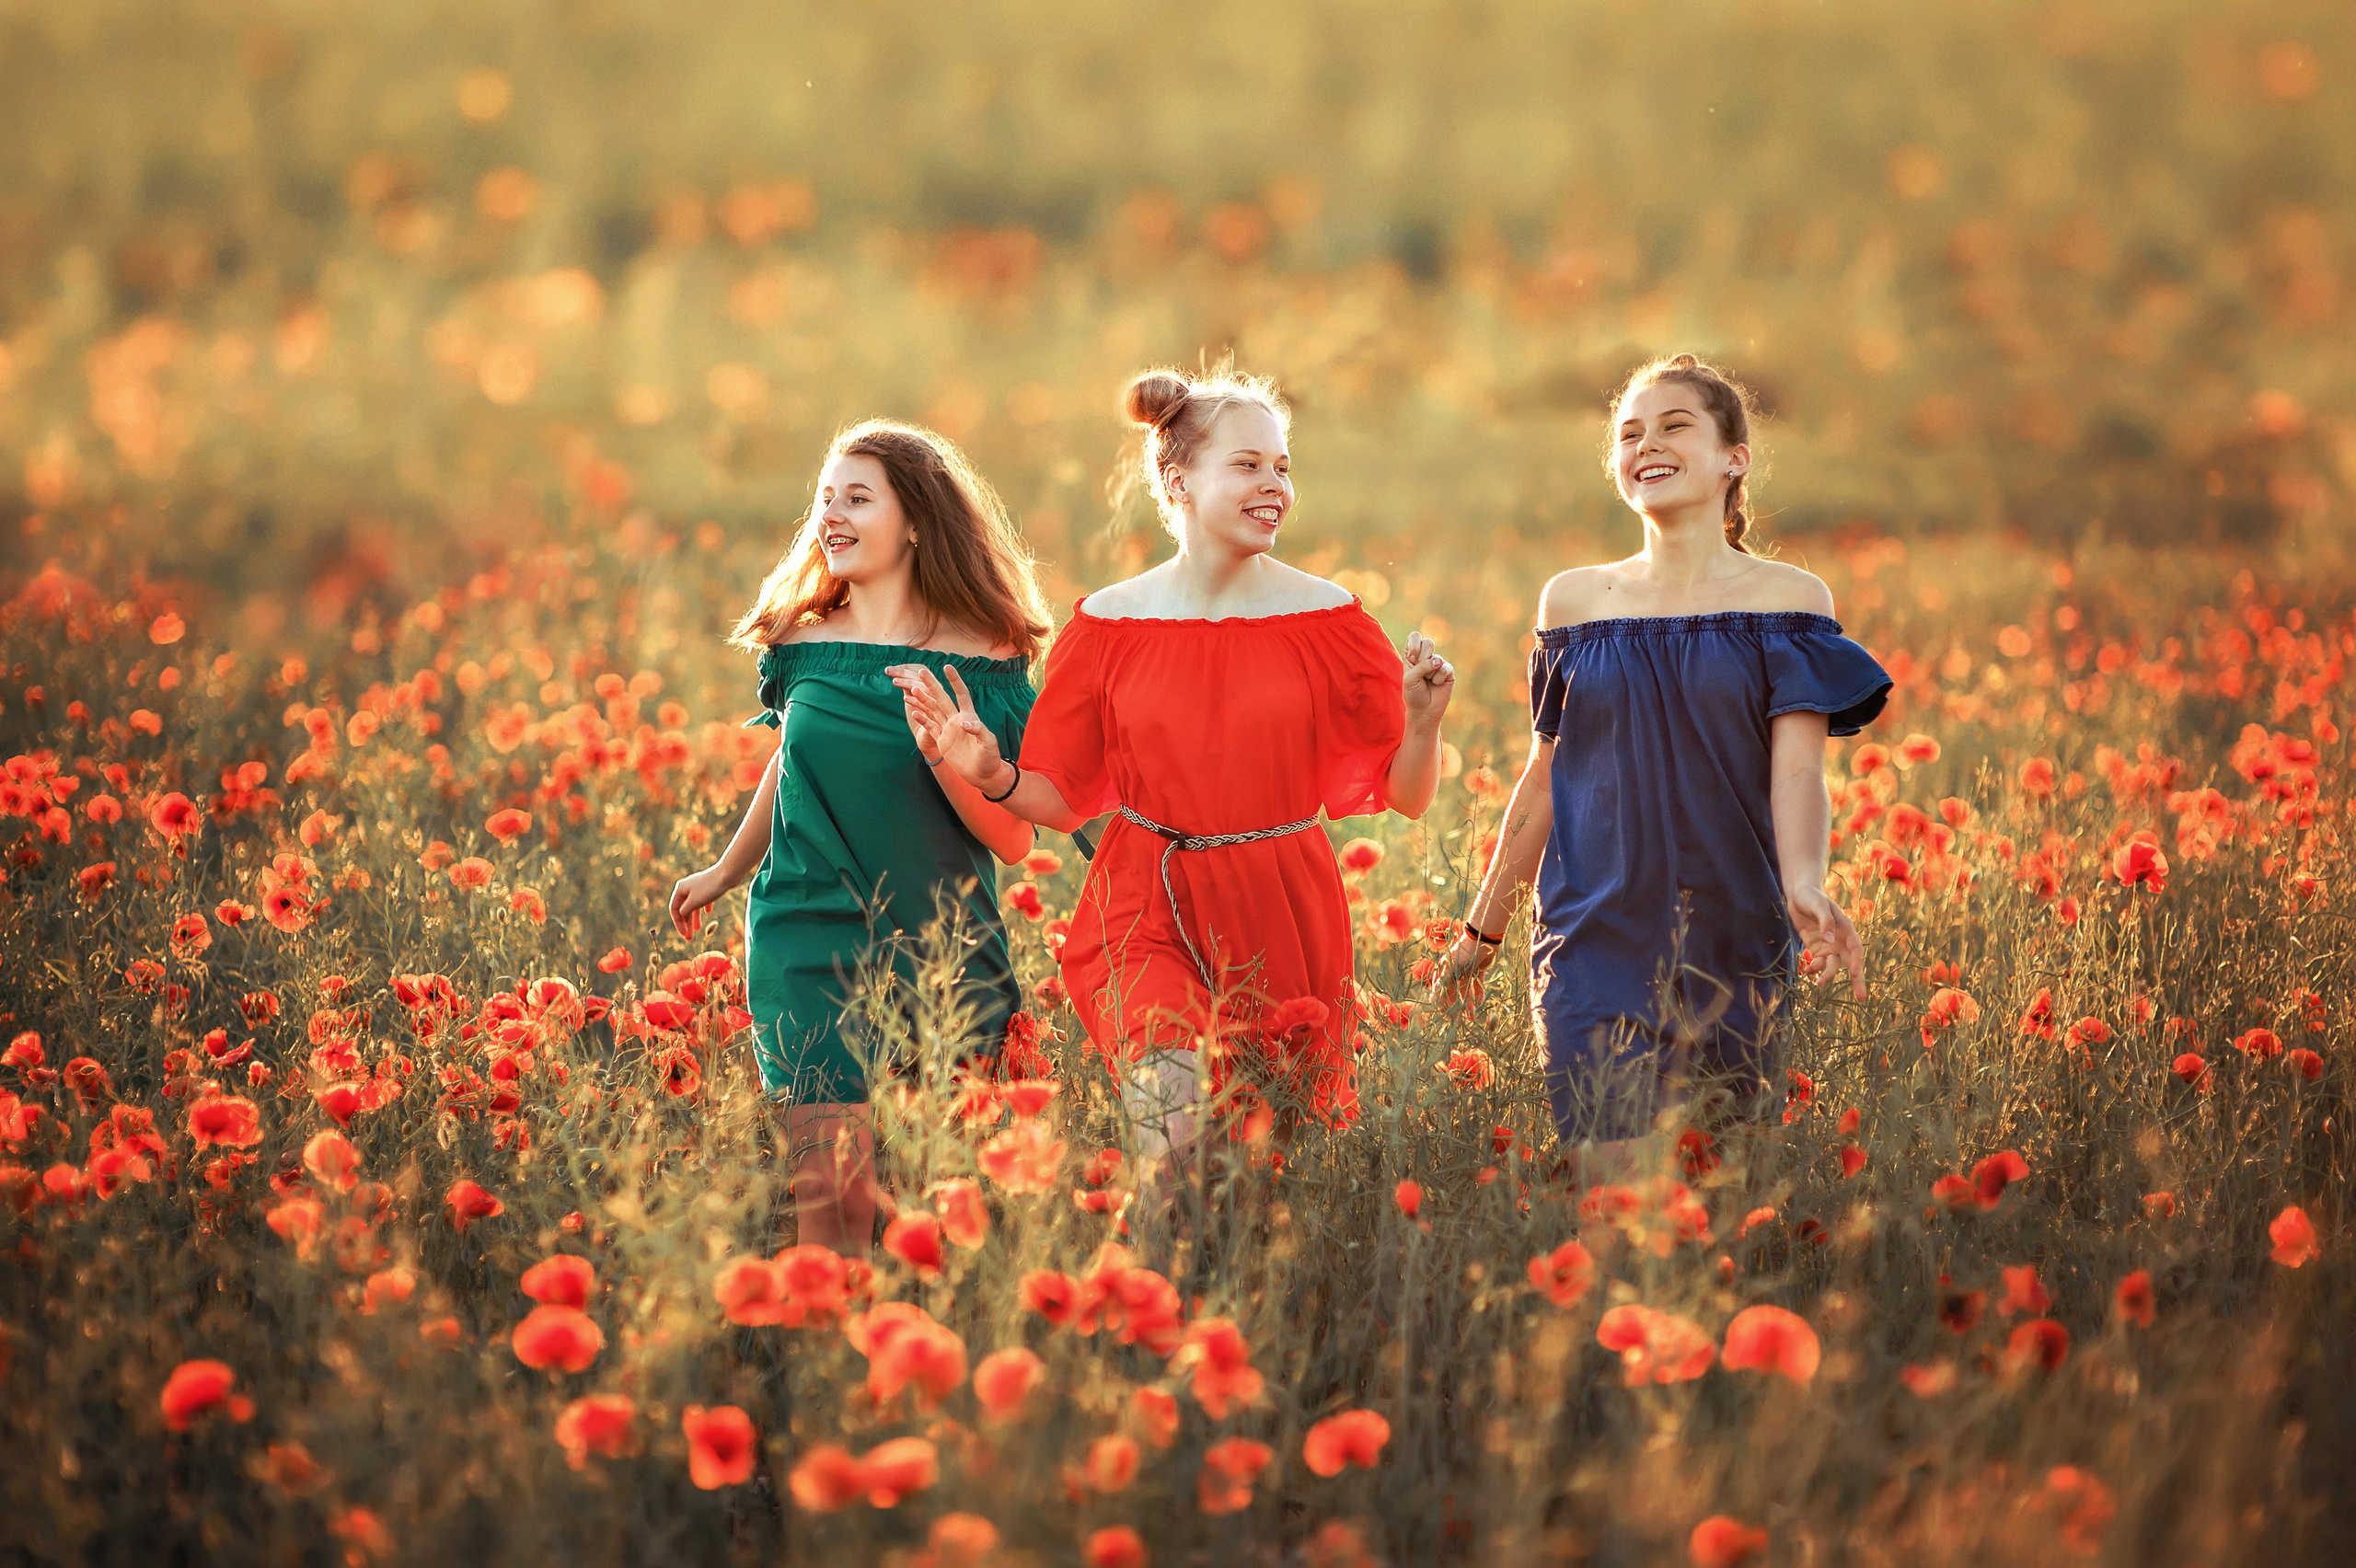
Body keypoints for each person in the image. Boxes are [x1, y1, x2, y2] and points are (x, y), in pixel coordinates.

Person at [894, 368, 1453, 1182]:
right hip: (1144, 897)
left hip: (1281, 899)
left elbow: (1407, 795)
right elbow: (1061, 794)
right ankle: (1152, 1289)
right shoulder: (1109, 624)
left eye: (1283, 466)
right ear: (1176, 479)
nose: (1274, 486)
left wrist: (1425, 723)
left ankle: (1220, 1300)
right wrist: (992, 774)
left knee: (1268, 1167)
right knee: (1177, 1138)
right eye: (1248, 465)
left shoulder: (1328, 619)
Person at [1434, 353, 1887, 1177]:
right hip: (1593, 934)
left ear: (1734, 458)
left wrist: (1807, 884)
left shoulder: (1790, 603)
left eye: (1675, 425)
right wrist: (1482, 928)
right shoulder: (1573, 602)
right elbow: (1542, 779)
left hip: (1736, 934)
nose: (1648, 443)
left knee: (1711, 1205)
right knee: (1615, 1200)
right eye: (1629, 434)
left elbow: (1797, 773)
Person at [669, 420, 1050, 1251]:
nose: (830, 516)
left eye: (857, 498)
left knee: (920, 1218)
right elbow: (795, 760)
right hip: (806, 938)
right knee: (834, 1208)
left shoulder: (983, 656)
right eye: (824, 500)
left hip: (939, 947)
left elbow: (1016, 843)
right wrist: (727, 868)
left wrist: (949, 757)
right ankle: (826, 1370)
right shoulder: (803, 644)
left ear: (914, 519)